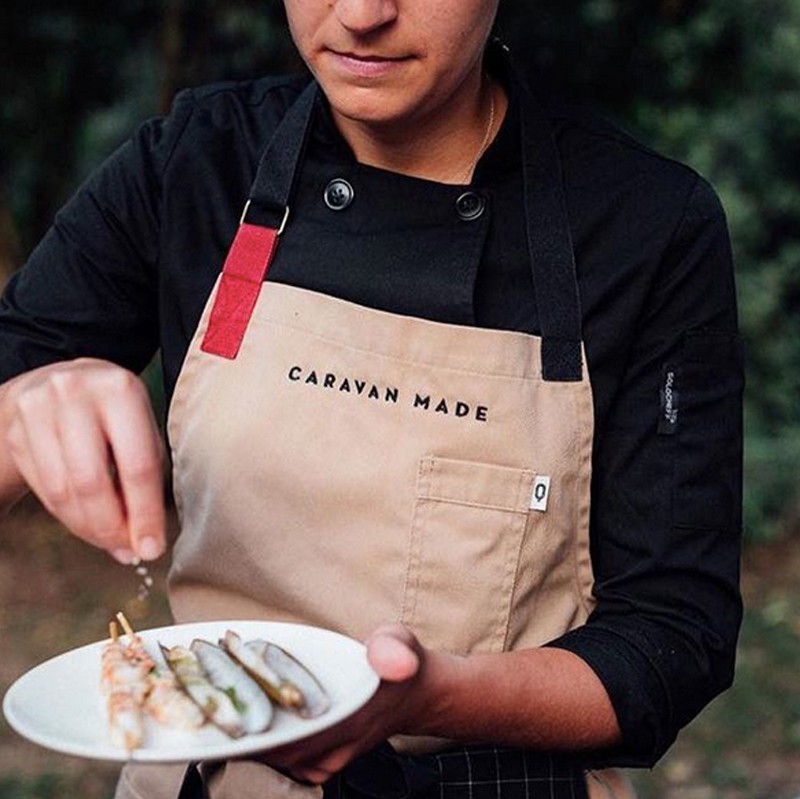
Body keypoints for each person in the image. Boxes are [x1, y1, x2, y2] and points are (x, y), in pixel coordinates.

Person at [0, 1, 744, 798]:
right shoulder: (196, 160)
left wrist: (434, 695)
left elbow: (672, 641)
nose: (360, 14)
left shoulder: (644, 225)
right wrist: (22, 410)